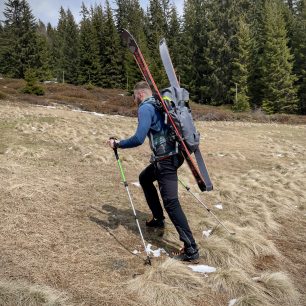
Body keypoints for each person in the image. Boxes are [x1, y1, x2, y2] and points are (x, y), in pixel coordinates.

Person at [107, 81, 199, 261]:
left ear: (140, 94)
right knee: (145, 178)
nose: (134, 101)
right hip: (175, 155)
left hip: (165, 160)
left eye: (134, 97)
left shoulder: (145, 108)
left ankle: (191, 249)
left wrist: (118, 143)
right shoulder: (160, 104)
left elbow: (139, 138)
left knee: (171, 202)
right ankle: (158, 218)